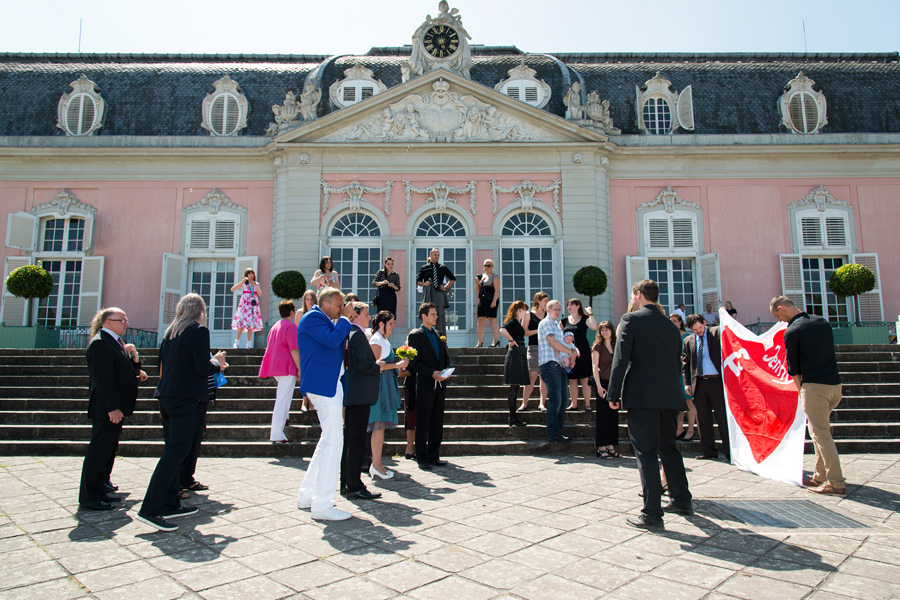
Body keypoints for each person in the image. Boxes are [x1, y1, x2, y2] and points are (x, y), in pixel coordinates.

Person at [137, 294, 227, 532]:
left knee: (174, 450)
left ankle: (169, 502)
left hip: (166, 397)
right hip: (186, 398)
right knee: (176, 453)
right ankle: (150, 508)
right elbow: (202, 368)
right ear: (200, 311)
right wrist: (217, 362)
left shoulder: (170, 333)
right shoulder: (199, 331)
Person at [606, 279, 692, 529]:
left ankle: (652, 513)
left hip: (643, 395)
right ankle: (682, 499)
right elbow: (676, 364)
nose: (631, 301)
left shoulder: (631, 319)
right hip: (670, 396)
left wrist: (613, 394)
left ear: (639, 294)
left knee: (646, 453)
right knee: (669, 448)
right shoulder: (671, 326)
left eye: (632, 296)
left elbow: (621, 359)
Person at [771, 296, 845, 495]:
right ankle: (820, 476)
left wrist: (800, 389)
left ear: (782, 309)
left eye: (777, 315)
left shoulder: (792, 331)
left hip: (814, 387)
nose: (779, 320)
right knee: (819, 431)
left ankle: (836, 482)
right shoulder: (822, 322)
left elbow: (793, 367)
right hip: (834, 385)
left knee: (821, 434)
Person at [295, 287, 355, 521]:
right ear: (327, 303)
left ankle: (307, 495)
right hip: (323, 384)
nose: (342, 308)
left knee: (326, 442)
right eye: (340, 305)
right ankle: (323, 504)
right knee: (333, 443)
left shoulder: (321, 318)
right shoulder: (313, 318)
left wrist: (342, 319)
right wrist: (346, 319)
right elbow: (332, 341)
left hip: (327, 383)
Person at [78, 307, 142, 511]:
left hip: (117, 407)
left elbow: (123, 371)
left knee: (108, 448)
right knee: (98, 450)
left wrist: (135, 359)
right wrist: (112, 407)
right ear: (107, 322)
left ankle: (102, 486)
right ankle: (90, 496)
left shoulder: (114, 342)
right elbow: (103, 379)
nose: (126, 323)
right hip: (107, 408)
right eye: (122, 320)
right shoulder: (100, 344)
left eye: (126, 319)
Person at [340, 302, 384, 501]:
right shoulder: (357, 335)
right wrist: (378, 366)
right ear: (355, 315)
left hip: (354, 395)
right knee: (356, 442)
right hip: (359, 396)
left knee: (350, 441)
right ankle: (354, 485)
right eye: (366, 314)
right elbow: (362, 364)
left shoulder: (351, 333)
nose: (369, 318)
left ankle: (346, 484)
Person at [407, 302, 452, 470]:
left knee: (437, 420)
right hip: (426, 383)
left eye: (436, 314)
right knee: (423, 420)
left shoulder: (439, 334)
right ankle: (421, 457)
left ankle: (434, 455)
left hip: (440, 383)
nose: (436, 316)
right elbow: (415, 362)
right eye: (433, 314)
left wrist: (446, 369)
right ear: (423, 316)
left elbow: (445, 356)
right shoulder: (416, 335)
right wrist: (431, 373)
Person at [683, 313, 730, 462]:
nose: (699, 331)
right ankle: (709, 451)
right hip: (699, 383)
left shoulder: (717, 333)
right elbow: (686, 364)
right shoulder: (688, 341)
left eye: (700, 328)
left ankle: (730, 451)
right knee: (703, 419)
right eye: (695, 330)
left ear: (704, 323)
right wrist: (687, 384)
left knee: (723, 418)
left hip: (717, 382)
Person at [368, 310, 409, 479]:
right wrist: (397, 365)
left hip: (385, 384)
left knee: (381, 427)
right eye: (391, 323)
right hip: (380, 386)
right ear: (382, 324)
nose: (393, 326)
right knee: (378, 426)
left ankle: (378, 464)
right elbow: (375, 366)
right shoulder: (376, 340)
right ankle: (376, 465)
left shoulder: (382, 339)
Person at [259, 300, 301, 443]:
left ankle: (284, 421)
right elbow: (294, 349)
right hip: (287, 367)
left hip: (276, 366)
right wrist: (300, 368)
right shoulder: (291, 326)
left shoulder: (275, 326)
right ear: (291, 312)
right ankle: (277, 433)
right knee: (282, 399)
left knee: (284, 398)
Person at [537, 300, 576, 443]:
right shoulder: (546, 323)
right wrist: (570, 351)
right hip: (549, 365)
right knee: (556, 400)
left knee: (564, 400)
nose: (558, 312)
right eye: (555, 309)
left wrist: (571, 354)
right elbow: (553, 343)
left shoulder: (555, 325)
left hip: (558, 365)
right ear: (548, 309)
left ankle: (558, 432)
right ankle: (553, 434)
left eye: (560, 309)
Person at [179, 359, 217, 498]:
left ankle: (186, 477)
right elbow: (202, 367)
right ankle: (175, 484)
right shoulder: (191, 337)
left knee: (195, 439)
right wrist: (216, 363)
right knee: (185, 442)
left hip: (199, 395)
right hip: (191, 395)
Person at [592, 320, 621, 460]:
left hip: (613, 383)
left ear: (611, 331)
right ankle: (601, 447)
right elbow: (594, 367)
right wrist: (598, 386)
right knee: (602, 416)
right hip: (602, 382)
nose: (605, 332)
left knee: (613, 416)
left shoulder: (616, 346)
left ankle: (611, 446)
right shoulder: (598, 346)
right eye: (602, 330)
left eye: (607, 329)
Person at [563, 298, 598, 411]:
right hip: (570, 353)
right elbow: (558, 335)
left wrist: (590, 312)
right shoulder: (564, 320)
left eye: (572, 304)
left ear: (578, 306)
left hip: (583, 352)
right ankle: (574, 404)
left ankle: (587, 404)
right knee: (572, 379)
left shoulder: (584, 318)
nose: (569, 307)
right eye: (568, 305)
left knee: (585, 379)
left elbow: (594, 327)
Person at [500, 301, 530, 427]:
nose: (525, 312)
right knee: (514, 387)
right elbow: (502, 329)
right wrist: (511, 340)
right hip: (516, 354)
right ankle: (512, 417)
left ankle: (513, 417)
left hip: (518, 352)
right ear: (519, 310)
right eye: (524, 310)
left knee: (515, 387)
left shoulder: (516, 321)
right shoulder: (512, 321)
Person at [669, 313, 697, 442]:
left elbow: (691, 355)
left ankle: (691, 429)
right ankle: (679, 428)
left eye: (675, 321)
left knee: (688, 401)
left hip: (684, 371)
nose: (672, 323)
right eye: (670, 321)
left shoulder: (686, 337)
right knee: (678, 401)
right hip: (674, 371)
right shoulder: (669, 336)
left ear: (680, 323)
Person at [416, 249, 455, 336]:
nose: (437, 256)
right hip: (428, 293)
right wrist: (425, 283)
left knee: (439, 316)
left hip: (438, 293)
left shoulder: (442, 267)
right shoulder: (424, 268)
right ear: (430, 255)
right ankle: (427, 337)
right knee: (427, 314)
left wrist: (445, 287)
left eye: (438, 255)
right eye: (435, 255)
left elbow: (453, 279)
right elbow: (418, 282)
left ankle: (440, 339)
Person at [520, 292, 549, 412]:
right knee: (532, 375)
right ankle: (524, 403)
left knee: (544, 377)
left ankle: (542, 404)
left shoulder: (548, 315)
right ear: (538, 301)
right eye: (545, 301)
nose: (547, 303)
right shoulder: (529, 315)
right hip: (534, 347)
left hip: (547, 348)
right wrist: (538, 331)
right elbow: (523, 332)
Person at [294, 290, 318, 411]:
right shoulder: (300, 313)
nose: (309, 302)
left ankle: (312, 401)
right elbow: (297, 332)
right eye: (307, 299)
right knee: (304, 373)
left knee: (312, 373)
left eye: (311, 299)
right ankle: (304, 400)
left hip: (315, 347)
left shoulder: (317, 313)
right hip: (303, 347)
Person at [230, 268, 263, 349]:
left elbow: (260, 294)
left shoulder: (256, 284)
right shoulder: (244, 284)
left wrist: (254, 285)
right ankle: (236, 342)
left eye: (252, 274)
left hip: (252, 306)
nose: (251, 275)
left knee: (250, 326)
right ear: (246, 275)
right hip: (245, 305)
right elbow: (233, 289)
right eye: (249, 274)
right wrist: (242, 282)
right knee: (241, 323)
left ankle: (248, 344)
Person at [474, 259, 500, 347]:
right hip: (482, 299)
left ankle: (496, 340)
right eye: (485, 265)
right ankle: (480, 342)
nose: (486, 267)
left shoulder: (495, 276)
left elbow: (497, 290)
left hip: (491, 299)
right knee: (480, 320)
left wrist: (494, 301)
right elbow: (477, 290)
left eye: (488, 265)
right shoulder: (481, 276)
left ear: (492, 267)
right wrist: (477, 283)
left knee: (493, 319)